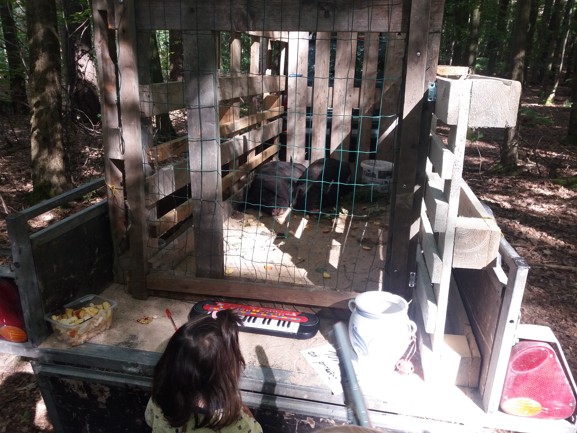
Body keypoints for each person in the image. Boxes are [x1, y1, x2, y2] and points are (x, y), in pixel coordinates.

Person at [145, 309, 263, 433]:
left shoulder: (160, 400)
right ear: (227, 374)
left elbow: (149, 419)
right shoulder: (237, 424)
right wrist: (248, 416)